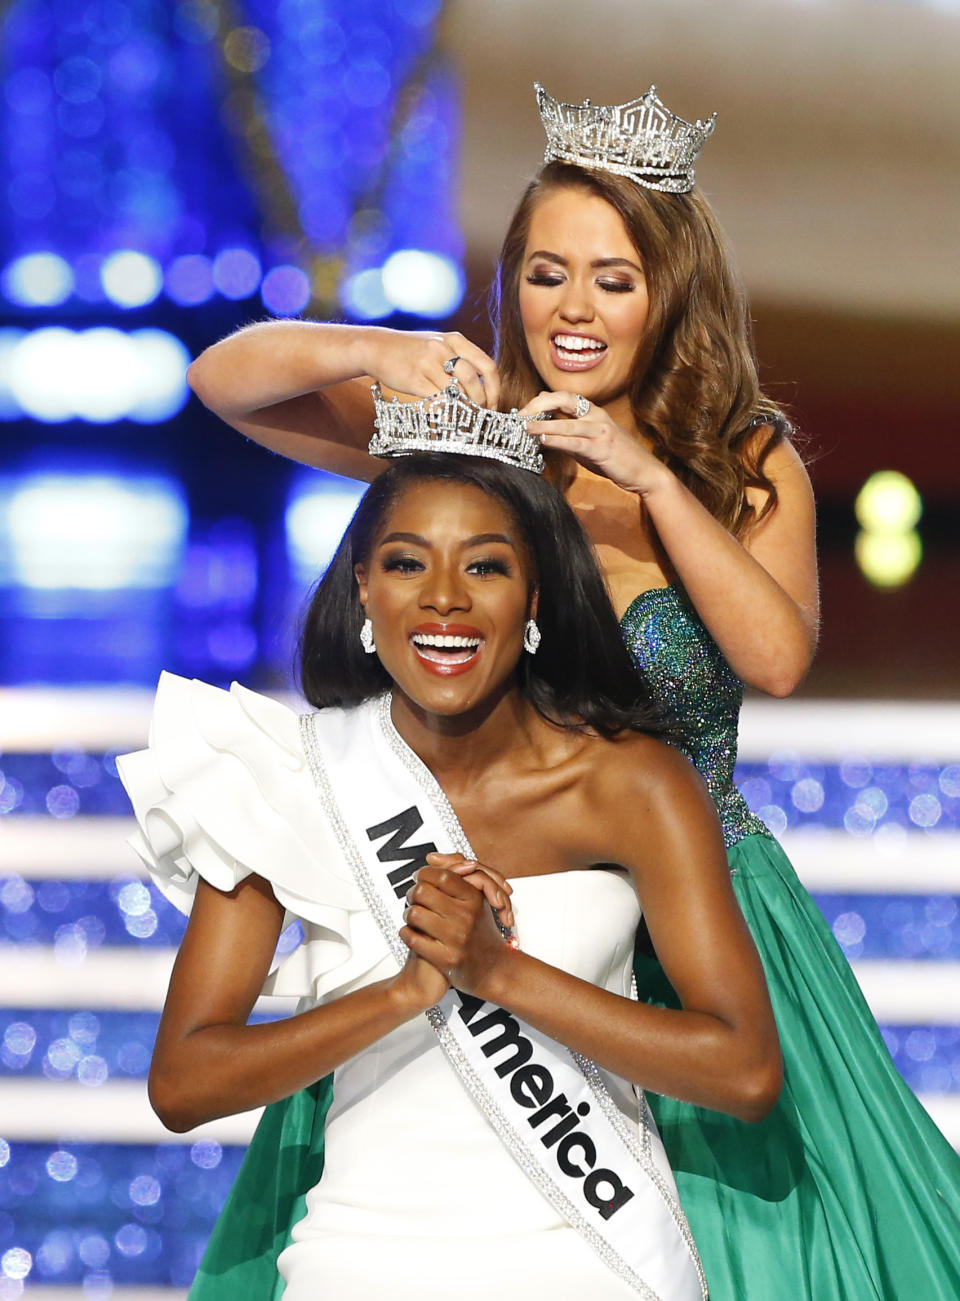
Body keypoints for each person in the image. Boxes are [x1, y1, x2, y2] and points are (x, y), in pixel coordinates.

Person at [185, 84, 960, 1298]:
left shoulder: (743, 458)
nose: (575, 309)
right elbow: (228, 383)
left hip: (706, 919)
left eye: (613, 277)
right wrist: (374, 349)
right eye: (546, 273)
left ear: (669, 290)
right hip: (500, 903)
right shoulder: (480, 433)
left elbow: (775, 656)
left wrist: (649, 477)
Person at [119, 443, 783, 1301]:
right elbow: (183, 1083)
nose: (444, 598)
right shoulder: (288, 775)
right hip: (355, 1263)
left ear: (535, 596)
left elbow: (745, 1071)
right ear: (362, 585)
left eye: (486, 566)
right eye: (405, 563)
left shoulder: (633, 785)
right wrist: (404, 991)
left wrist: (498, 971)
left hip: (591, 1260)